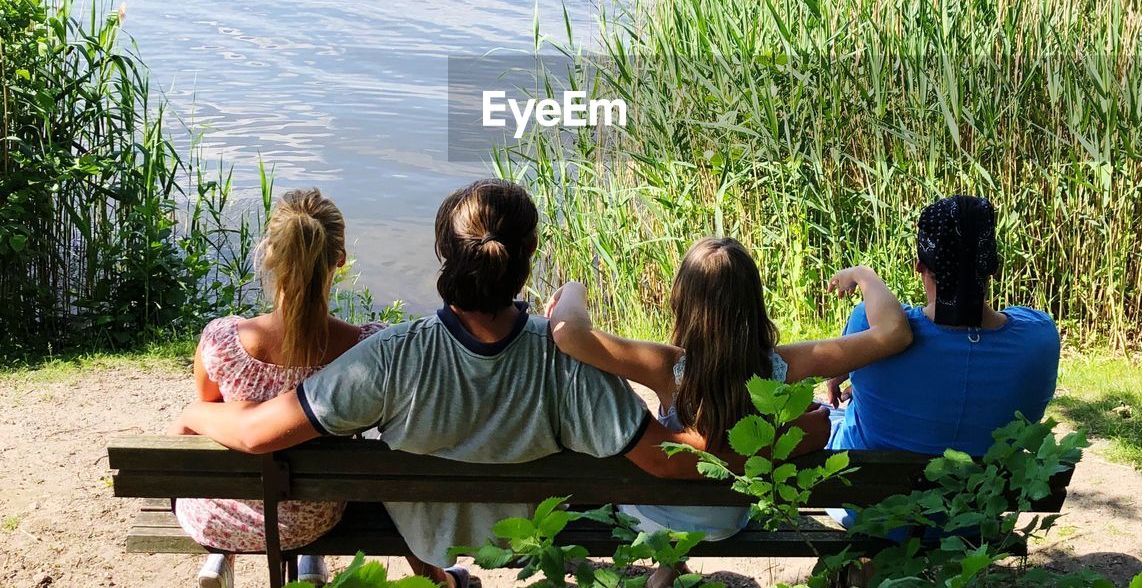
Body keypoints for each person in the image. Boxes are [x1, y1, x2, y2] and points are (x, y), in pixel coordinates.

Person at [171, 180, 832, 588]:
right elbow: (665, 457)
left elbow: (258, 432)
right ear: (526, 261)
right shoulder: (567, 362)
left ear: (443, 257)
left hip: (428, 535)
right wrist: (789, 441)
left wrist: (198, 417)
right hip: (530, 536)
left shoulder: (390, 358)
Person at [546, 236, 913, 542]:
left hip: (658, 515)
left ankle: (668, 567)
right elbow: (894, 333)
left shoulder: (666, 367)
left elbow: (570, 335)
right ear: (754, 301)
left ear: (681, 301)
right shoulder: (783, 366)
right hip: (727, 521)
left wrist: (574, 288)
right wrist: (865, 276)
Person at [175, 188, 386, 588]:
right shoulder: (366, 351)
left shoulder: (222, 341)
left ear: (271, 255)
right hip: (315, 516)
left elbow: (210, 418)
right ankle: (310, 557)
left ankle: (223, 556)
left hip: (219, 515)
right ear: (339, 260)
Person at [827, 195, 1060, 466]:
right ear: (994, 268)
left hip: (869, 504)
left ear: (920, 266)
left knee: (829, 415)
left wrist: (863, 275)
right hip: (978, 504)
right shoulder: (1040, 337)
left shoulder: (867, 323)